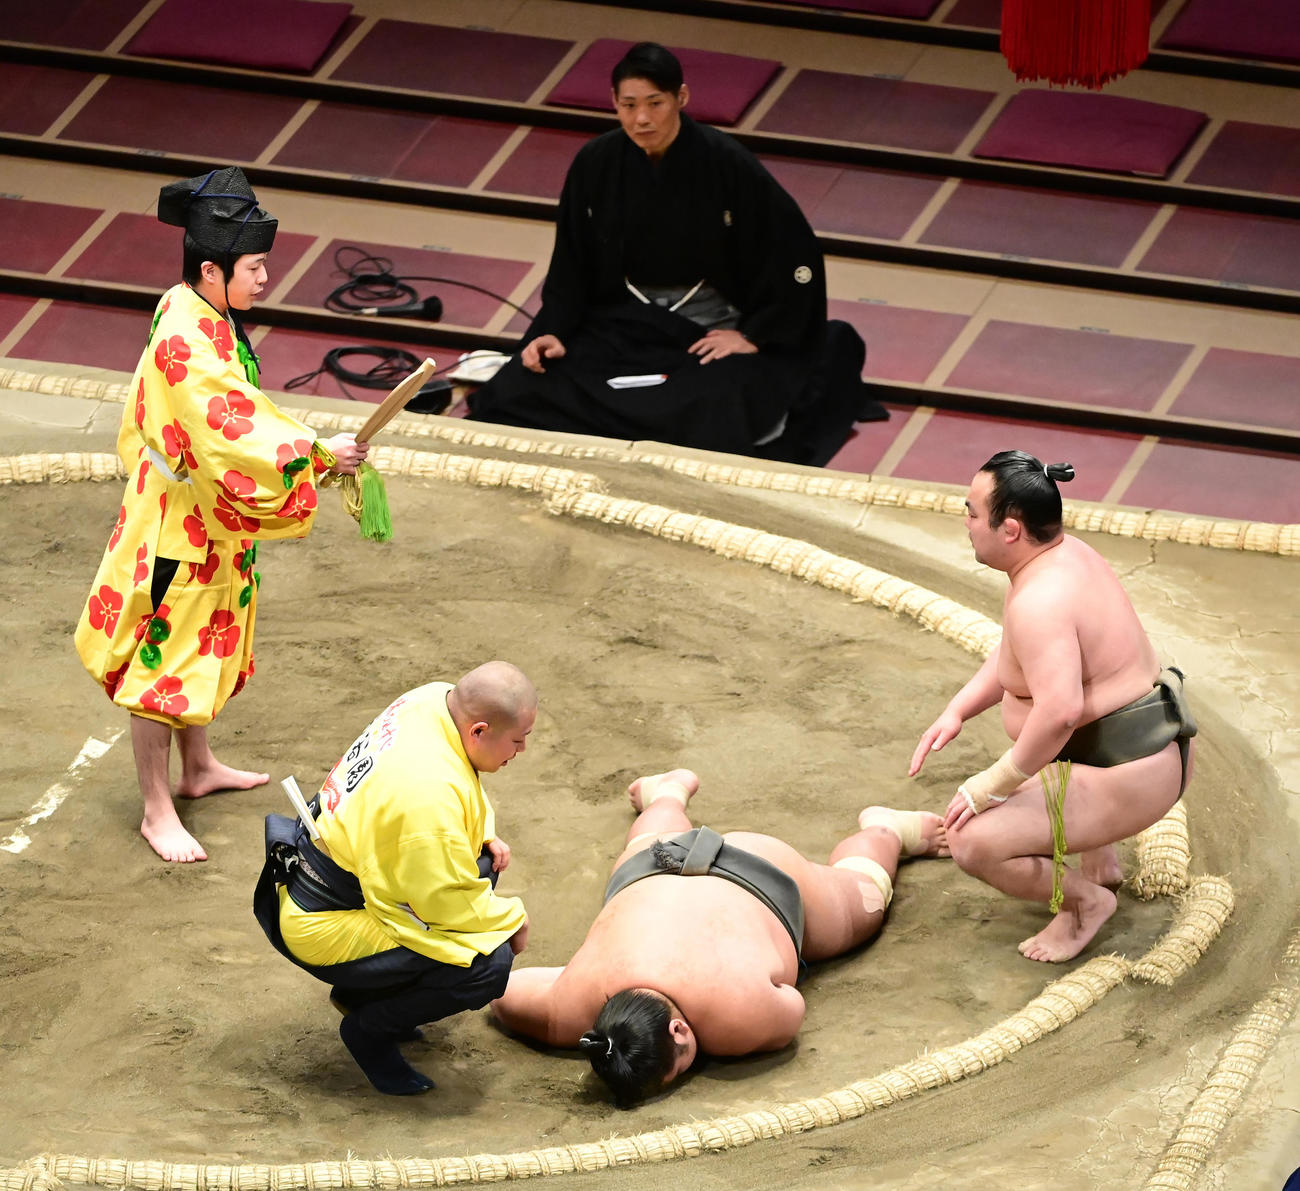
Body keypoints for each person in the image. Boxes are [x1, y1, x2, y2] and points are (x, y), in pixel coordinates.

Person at [74, 167, 369, 864]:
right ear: (213, 269)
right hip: (177, 521)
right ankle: (156, 808)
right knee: (160, 661)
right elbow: (228, 424)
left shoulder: (198, 307)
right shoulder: (185, 336)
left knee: (200, 638)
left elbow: (238, 411)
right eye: (255, 267)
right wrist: (316, 454)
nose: (265, 278)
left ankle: (198, 766)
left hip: (205, 511)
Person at [467, 42, 884, 467]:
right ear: (613, 102)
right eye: (629, 105)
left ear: (681, 98)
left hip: (707, 320)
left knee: (718, 400)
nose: (641, 118)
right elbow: (572, 260)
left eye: (655, 103)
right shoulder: (596, 162)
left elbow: (791, 251)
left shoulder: (726, 163)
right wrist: (554, 330)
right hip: (622, 317)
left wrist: (753, 334)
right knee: (523, 384)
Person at [490, 768, 946, 1106]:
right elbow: (503, 992)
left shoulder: (737, 1019)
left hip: (762, 874)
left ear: (679, 1030)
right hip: (653, 861)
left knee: (861, 908)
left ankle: (887, 830)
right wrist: (579, 985)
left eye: (679, 1067)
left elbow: (791, 1005)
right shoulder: (570, 1007)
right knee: (652, 837)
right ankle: (665, 794)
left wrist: (719, 1022)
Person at [909, 450, 1197, 964]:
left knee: (971, 841)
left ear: (1010, 529)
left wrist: (991, 783)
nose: (966, 522)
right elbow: (1018, 654)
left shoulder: (1040, 601)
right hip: (1137, 750)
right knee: (1021, 779)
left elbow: (1060, 711)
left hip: (1127, 770)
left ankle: (1086, 904)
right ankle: (1100, 859)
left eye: (973, 512)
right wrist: (959, 709)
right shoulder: (1067, 555)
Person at [253, 661, 537, 1096]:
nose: (522, 750)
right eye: (518, 740)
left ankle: (362, 994)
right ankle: (368, 1029)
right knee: (488, 962)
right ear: (479, 730)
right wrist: (511, 920)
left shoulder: (433, 699)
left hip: (328, 870)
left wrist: (483, 832)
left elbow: (452, 788)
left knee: (481, 865)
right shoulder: (427, 791)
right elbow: (441, 900)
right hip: (320, 919)